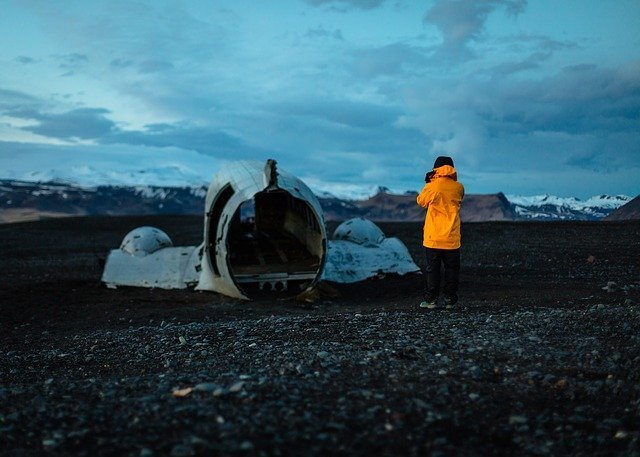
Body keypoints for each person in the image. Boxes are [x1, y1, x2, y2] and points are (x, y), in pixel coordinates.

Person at [416, 156, 465, 309]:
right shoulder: (459, 187)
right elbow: (459, 198)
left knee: (433, 270)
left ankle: (431, 300)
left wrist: (430, 182)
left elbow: (421, 201)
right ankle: (450, 300)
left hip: (433, 237)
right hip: (452, 237)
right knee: (452, 269)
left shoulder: (432, 187)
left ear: (436, 169)